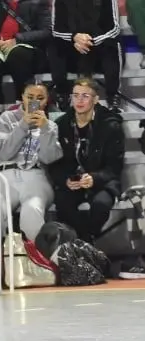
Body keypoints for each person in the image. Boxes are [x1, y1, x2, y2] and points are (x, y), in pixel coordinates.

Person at [48, 78, 124, 243]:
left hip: (101, 180)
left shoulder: (110, 126)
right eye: (75, 95)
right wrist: (66, 180)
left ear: (95, 99)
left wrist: (95, 178)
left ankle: (84, 240)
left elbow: (114, 166)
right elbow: (54, 164)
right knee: (63, 203)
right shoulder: (61, 125)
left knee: (101, 205)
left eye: (85, 96)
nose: (79, 100)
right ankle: (85, 241)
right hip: (73, 181)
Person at [0, 80, 63, 240]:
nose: (34, 102)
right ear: (22, 98)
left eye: (40, 98)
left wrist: (45, 129)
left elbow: (49, 158)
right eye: (30, 97)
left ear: (46, 101)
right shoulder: (7, 118)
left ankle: (36, 260)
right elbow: (3, 155)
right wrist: (23, 125)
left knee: (32, 210)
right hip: (7, 175)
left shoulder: (51, 125)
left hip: (36, 177)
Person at [0, 0, 51, 117]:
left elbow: (47, 31)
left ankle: (23, 102)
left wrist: (18, 39)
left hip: (27, 47)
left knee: (18, 54)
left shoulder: (38, 2)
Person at [48, 0, 123, 112]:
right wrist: (74, 38)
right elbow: (56, 30)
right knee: (54, 45)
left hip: (98, 45)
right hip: (72, 47)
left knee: (111, 46)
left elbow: (114, 28)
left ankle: (113, 96)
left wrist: (90, 41)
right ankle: (62, 94)